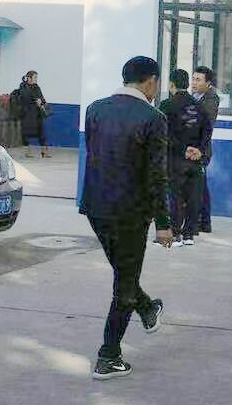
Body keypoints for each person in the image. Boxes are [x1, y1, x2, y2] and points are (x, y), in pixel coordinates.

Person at [80, 56, 173, 380]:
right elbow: (157, 175)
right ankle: (108, 356)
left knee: (125, 273)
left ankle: (147, 308)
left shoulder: (95, 109)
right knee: (125, 284)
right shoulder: (154, 117)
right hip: (131, 213)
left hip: (96, 208)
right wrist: (163, 223)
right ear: (151, 81)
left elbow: (93, 155)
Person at [161, 69, 213, 247]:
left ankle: (175, 233)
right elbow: (208, 129)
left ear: (171, 85)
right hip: (195, 159)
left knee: (176, 196)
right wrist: (200, 150)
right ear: (188, 84)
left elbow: (164, 133)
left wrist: (183, 149)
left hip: (176, 158)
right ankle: (189, 234)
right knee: (193, 196)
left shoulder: (167, 105)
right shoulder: (198, 106)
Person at [192, 67, 220, 233]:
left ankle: (202, 221)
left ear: (208, 83)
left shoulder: (211, 99)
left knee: (198, 185)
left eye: (198, 80)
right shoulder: (195, 97)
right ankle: (203, 221)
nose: (194, 83)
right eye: (193, 79)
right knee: (199, 185)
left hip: (201, 148)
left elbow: (205, 124)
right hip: (192, 147)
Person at [15, 70, 51, 158]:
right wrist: (35, 100)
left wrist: (42, 102)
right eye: (35, 77)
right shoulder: (23, 86)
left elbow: (41, 97)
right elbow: (25, 97)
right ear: (29, 78)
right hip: (26, 113)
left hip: (36, 113)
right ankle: (27, 151)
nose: (36, 79)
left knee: (41, 131)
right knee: (25, 133)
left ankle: (44, 152)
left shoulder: (37, 87)